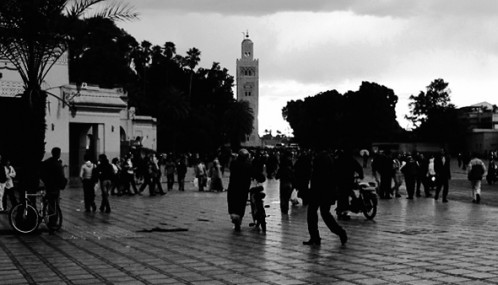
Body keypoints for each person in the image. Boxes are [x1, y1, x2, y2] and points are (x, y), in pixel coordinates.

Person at [303, 150, 347, 246]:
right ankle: (340, 232)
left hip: (319, 191)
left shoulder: (320, 159)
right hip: (326, 191)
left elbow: (316, 176)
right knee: (324, 214)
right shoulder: (328, 158)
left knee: (312, 213)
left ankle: (315, 237)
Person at [40, 147, 67, 233]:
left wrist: (46, 181)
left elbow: (42, 173)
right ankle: (53, 222)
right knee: (54, 205)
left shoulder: (47, 162)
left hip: (48, 186)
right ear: (58, 154)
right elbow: (61, 177)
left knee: (50, 203)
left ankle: (49, 219)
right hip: (55, 187)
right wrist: (62, 184)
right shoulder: (57, 164)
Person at [227, 149, 254, 231]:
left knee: (232, 202)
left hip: (233, 186)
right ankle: (238, 217)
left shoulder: (234, 163)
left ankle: (234, 216)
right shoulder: (248, 165)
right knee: (241, 203)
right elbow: (255, 173)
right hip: (244, 188)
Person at [334, 149, 363, 221]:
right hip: (349, 180)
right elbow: (359, 168)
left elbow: (334, 169)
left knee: (342, 195)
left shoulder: (338, 160)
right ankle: (344, 211)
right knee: (346, 195)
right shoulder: (351, 160)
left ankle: (341, 210)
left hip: (340, 180)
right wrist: (361, 175)